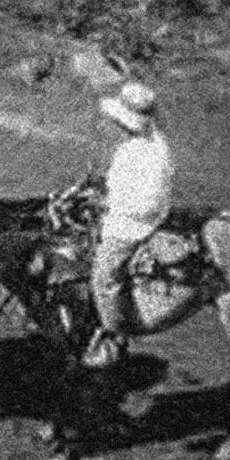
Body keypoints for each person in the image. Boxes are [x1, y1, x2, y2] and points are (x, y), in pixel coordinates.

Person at [82, 82, 175, 368]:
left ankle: (113, 339)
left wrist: (109, 204)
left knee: (104, 277)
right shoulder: (139, 145)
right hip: (123, 215)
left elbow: (148, 203)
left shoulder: (151, 153)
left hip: (133, 225)